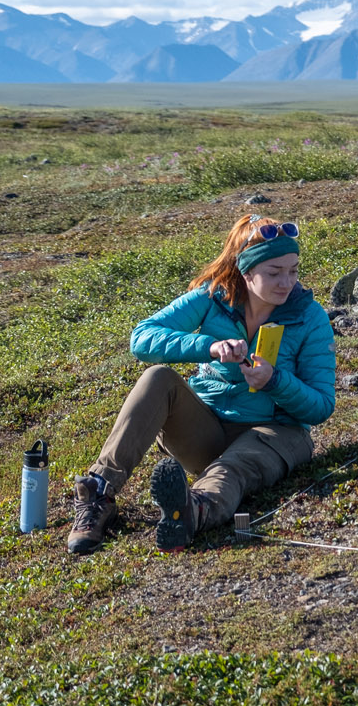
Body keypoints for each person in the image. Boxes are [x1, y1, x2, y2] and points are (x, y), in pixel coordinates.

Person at [67, 214, 336, 555]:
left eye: (293, 270)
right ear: (246, 272)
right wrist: (206, 346)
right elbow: (142, 338)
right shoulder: (211, 299)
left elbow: (322, 405)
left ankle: (193, 510)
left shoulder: (309, 316)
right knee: (158, 377)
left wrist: (275, 381)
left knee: (232, 467)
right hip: (208, 428)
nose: (287, 283)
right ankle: (99, 492)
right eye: (274, 273)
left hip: (277, 433)